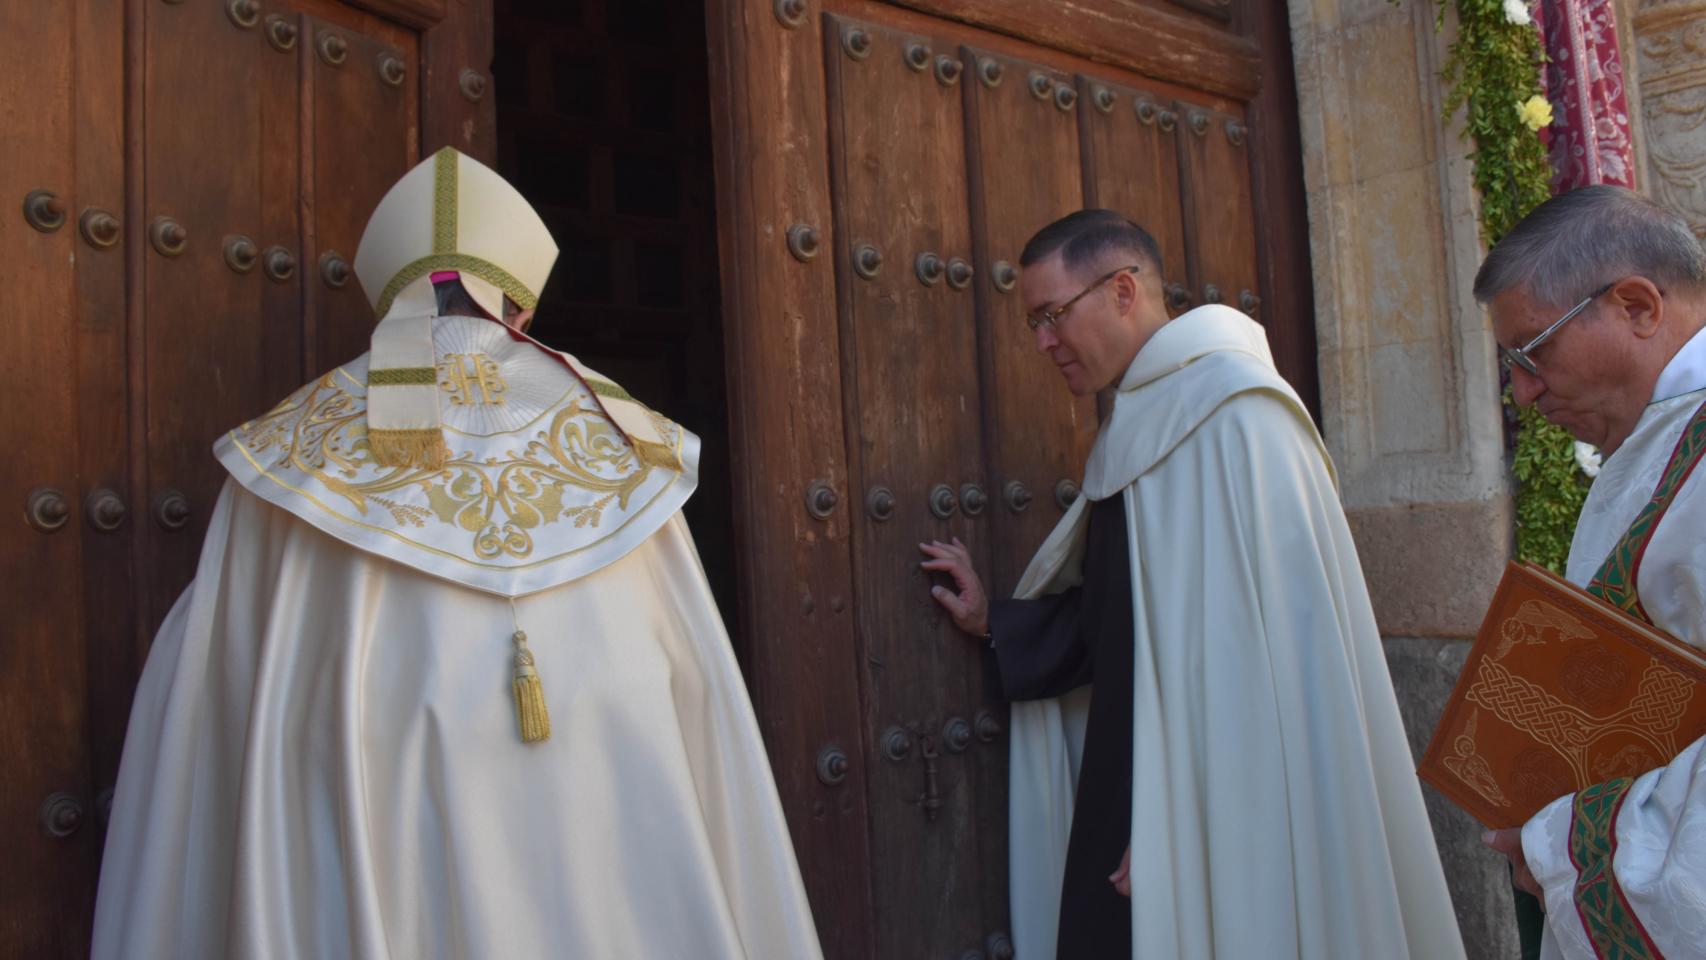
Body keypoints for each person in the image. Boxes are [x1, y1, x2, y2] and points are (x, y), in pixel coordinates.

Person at [91, 147, 823, 959]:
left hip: (383, 785)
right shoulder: (622, 434)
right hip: (606, 772)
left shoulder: (290, 451)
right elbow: (698, 680)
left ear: (390, 296)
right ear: (519, 306)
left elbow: (209, 684)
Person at [920, 209, 1464, 959]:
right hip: (1136, 789)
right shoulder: (1141, 419)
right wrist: (995, 622)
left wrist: (1190, 827)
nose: (1043, 342)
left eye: (1051, 315)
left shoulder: (1242, 418)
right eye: (1034, 324)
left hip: (1217, 813)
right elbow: (1123, 620)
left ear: (1121, 291)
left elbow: (1270, 665)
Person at [1477, 185, 1706, 960]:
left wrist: (1564, 845)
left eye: (1533, 352)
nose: (1524, 392)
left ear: (1637, 306)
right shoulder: (1663, 437)